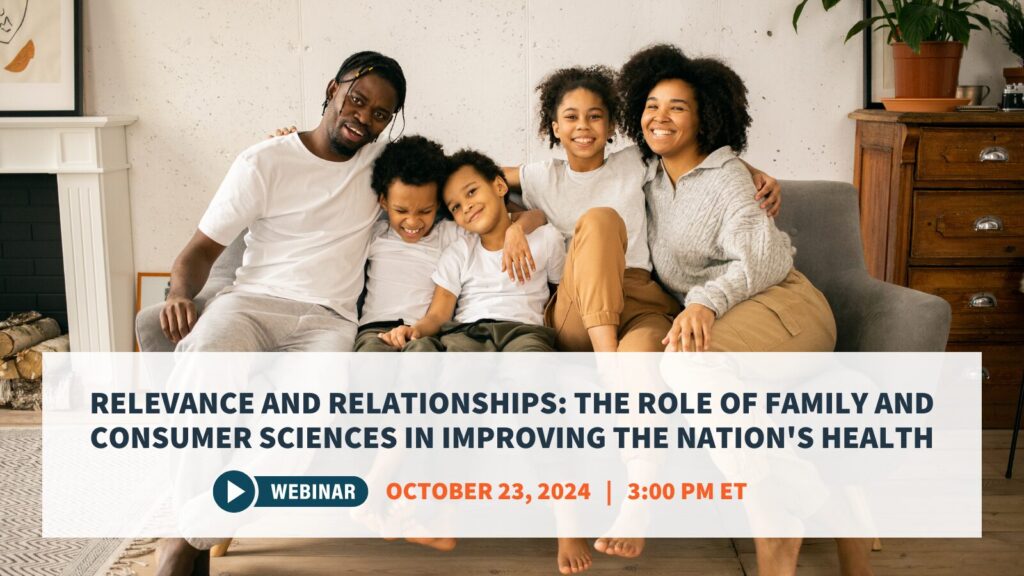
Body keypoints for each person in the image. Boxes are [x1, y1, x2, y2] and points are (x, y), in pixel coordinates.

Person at [615, 44, 870, 576]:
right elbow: (567, 168)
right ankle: (819, 506)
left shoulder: (728, 177)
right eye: (652, 104)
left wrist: (704, 303)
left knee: (685, 363)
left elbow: (766, 256)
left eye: (678, 107)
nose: (660, 116)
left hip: (785, 308)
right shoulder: (649, 177)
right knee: (680, 368)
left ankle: (775, 521)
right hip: (735, 318)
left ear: (705, 115)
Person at [155, 51, 406, 576]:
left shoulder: (382, 169)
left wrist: (524, 214)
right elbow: (200, 250)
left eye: (381, 113)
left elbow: (466, 180)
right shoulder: (264, 160)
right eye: (357, 99)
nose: (364, 117)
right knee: (200, 363)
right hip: (251, 304)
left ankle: (186, 533)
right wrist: (179, 293)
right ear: (332, 88)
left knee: (305, 428)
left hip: (328, 321)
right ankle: (194, 533)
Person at [503, 65, 782, 356]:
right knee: (601, 219)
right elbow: (480, 179)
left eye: (595, 116)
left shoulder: (635, 161)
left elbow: (694, 155)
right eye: (571, 117)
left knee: (646, 361)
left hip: (641, 302)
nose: (583, 126)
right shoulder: (541, 176)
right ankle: (608, 362)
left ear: (611, 126)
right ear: (555, 127)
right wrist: (518, 223)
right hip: (578, 307)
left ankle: (621, 383)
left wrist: (753, 171)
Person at [356, 136, 545, 352]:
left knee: (424, 358)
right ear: (383, 203)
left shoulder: (450, 233)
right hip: (374, 330)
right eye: (401, 211)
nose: (412, 221)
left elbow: (535, 216)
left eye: (425, 211)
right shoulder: (375, 234)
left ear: (437, 206)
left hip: (423, 332)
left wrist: (516, 229)